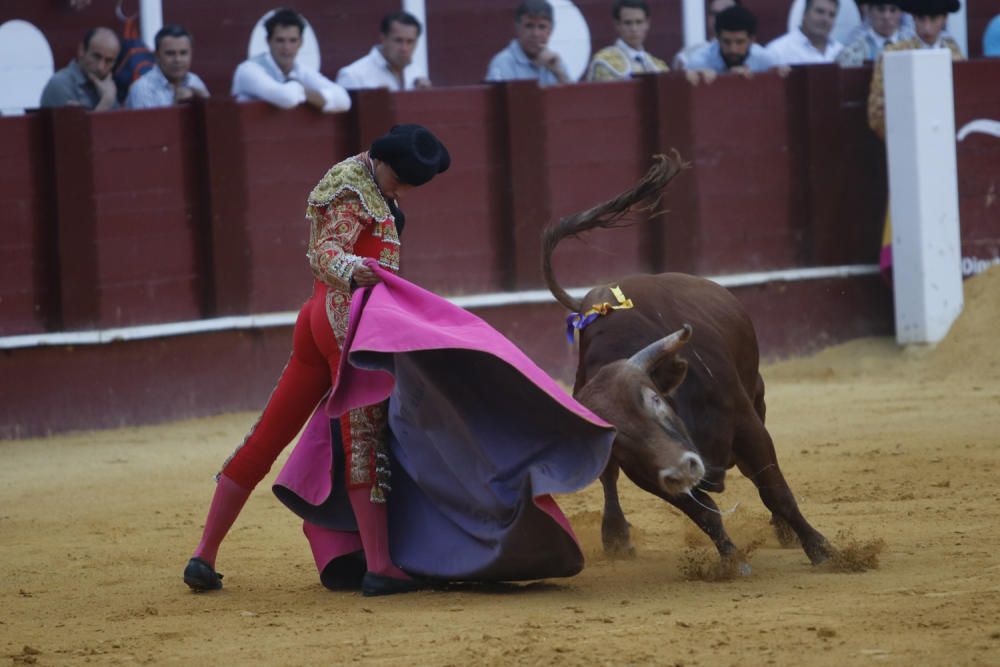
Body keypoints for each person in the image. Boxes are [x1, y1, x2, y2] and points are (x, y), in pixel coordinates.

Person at [183, 124, 451, 597]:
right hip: (345, 324)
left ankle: (204, 555)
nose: (404, 191)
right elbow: (325, 251)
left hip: (318, 318)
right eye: (403, 180)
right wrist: (355, 269)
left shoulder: (369, 181)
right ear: (385, 163)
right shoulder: (351, 184)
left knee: (268, 434)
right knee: (363, 439)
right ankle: (381, 566)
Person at [866, 0, 964, 280]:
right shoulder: (893, 55)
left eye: (934, 19)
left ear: (944, 19)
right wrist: (906, 149)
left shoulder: (955, 55)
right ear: (914, 19)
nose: (928, 26)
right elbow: (877, 114)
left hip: (951, 162)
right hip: (909, 165)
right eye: (922, 19)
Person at [231, 8, 350, 112]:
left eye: (292, 40)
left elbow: (344, 100)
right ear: (268, 41)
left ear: (301, 43)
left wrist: (303, 92)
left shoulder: (301, 70)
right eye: (280, 40)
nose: (286, 47)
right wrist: (304, 91)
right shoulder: (247, 70)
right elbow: (286, 98)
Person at [337, 11, 431, 91]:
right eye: (398, 40)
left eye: (410, 42)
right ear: (383, 39)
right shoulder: (353, 76)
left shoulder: (417, 73)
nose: (404, 48)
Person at [485, 0, 571, 86]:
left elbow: (574, 97)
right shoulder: (503, 63)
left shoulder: (554, 62)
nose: (535, 34)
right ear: (518, 28)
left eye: (542, 27)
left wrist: (558, 72)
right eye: (529, 26)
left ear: (550, 31)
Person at [683, 5, 777, 81]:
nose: (733, 49)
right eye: (726, 41)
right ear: (717, 38)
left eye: (740, 42)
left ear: (751, 40)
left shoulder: (765, 61)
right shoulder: (699, 62)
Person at [125, 25, 209, 109]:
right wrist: (177, 107)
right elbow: (149, 123)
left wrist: (206, 102)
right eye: (170, 53)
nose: (178, 60)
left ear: (191, 54)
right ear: (157, 56)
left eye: (183, 53)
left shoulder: (195, 81)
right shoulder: (142, 89)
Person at [39, 27, 120, 110]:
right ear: (81, 50)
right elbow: (73, 123)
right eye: (96, 57)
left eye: (109, 61)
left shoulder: (108, 87)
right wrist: (106, 103)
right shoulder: (60, 85)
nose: (100, 67)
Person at [586, 0, 668, 81]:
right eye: (627, 23)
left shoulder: (659, 67)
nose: (634, 29)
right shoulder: (604, 63)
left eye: (639, 22)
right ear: (617, 25)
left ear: (647, 24)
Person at [765, 0, 844, 65]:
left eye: (832, 15)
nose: (825, 19)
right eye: (820, 12)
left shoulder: (840, 51)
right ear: (804, 14)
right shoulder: (778, 52)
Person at [672, 0, 738, 70]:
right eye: (714, 14)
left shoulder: (750, 53)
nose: (719, 19)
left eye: (726, 14)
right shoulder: (688, 56)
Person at [837, 0, 904, 66]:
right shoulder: (853, 52)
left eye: (893, 10)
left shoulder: (910, 47)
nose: (886, 16)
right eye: (881, 9)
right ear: (869, 12)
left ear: (901, 13)